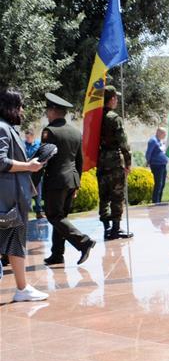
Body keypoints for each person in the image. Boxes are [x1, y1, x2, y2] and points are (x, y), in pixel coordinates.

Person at [0, 89, 49, 301]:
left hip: (12, 200)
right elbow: (0, 161)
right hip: (6, 201)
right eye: (20, 106)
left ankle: (22, 288)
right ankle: (22, 288)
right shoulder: (2, 128)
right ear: (10, 107)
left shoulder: (8, 128)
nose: (22, 110)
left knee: (15, 243)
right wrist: (28, 166)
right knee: (13, 241)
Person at [41, 93, 95, 266]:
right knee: (61, 216)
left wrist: (33, 181)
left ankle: (83, 242)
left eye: (48, 110)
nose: (47, 114)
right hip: (71, 180)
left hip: (56, 181)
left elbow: (44, 159)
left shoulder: (50, 131)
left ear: (54, 110)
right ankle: (57, 253)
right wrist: (77, 183)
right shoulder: (75, 132)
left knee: (53, 216)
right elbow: (80, 160)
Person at [97, 85, 133, 240]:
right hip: (114, 161)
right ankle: (115, 229)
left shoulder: (95, 117)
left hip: (101, 160)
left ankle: (107, 228)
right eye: (116, 98)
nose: (117, 100)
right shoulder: (114, 118)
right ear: (111, 99)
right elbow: (123, 142)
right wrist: (128, 162)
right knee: (117, 196)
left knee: (104, 196)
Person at [145, 126, 169, 204]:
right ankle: (156, 201)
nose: (165, 135)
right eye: (164, 133)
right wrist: (148, 162)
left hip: (163, 165)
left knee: (162, 184)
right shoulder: (153, 141)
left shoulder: (160, 141)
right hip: (156, 165)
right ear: (159, 132)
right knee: (158, 183)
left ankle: (159, 200)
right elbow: (148, 153)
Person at [24, 128, 44, 219]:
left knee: (38, 193)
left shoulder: (38, 144)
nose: (27, 139)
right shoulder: (23, 144)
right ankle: (25, 213)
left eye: (28, 137)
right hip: (26, 173)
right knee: (26, 193)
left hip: (37, 172)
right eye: (26, 137)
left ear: (33, 137)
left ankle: (39, 212)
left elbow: (42, 154)